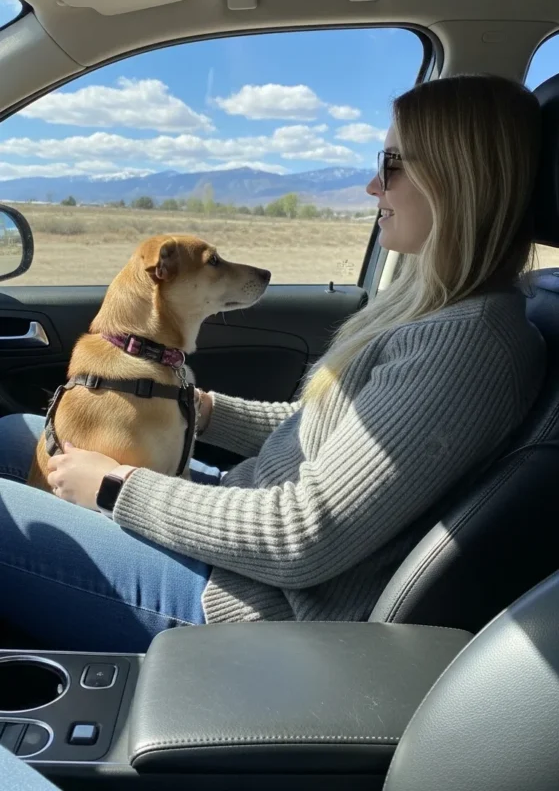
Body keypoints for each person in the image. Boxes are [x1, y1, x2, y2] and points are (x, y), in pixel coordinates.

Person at [0, 75, 546, 652]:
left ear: (457, 179)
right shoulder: (437, 312)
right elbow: (326, 433)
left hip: (247, 603)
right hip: (244, 534)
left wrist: (113, 488)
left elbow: (301, 536)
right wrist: (200, 409)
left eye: (391, 164)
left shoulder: (467, 346)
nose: (370, 185)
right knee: (15, 434)